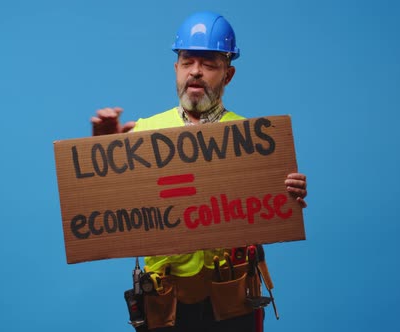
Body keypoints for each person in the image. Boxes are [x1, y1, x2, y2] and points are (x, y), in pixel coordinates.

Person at [90, 11, 307, 332]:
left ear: (228, 74)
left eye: (209, 64)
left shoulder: (253, 139)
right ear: (176, 68)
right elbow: (104, 209)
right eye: (188, 61)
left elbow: (267, 215)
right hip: (167, 301)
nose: (196, 72)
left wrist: (288, 197)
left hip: (233, 298)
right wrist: (103, 152)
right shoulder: (143, 134)